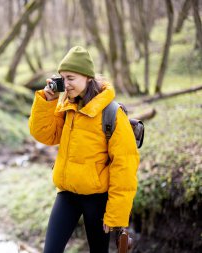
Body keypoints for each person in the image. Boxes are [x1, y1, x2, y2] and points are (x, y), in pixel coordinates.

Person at [28, 46, 140, 253]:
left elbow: (125, 165)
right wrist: (47, 101)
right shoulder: (67, 106)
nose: (66, 84)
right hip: (67, 194)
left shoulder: (112, 113)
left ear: (87, 78)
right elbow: (45, 135)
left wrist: (116, 214)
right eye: (62, 78)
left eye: (70, 78)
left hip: (98, 199)